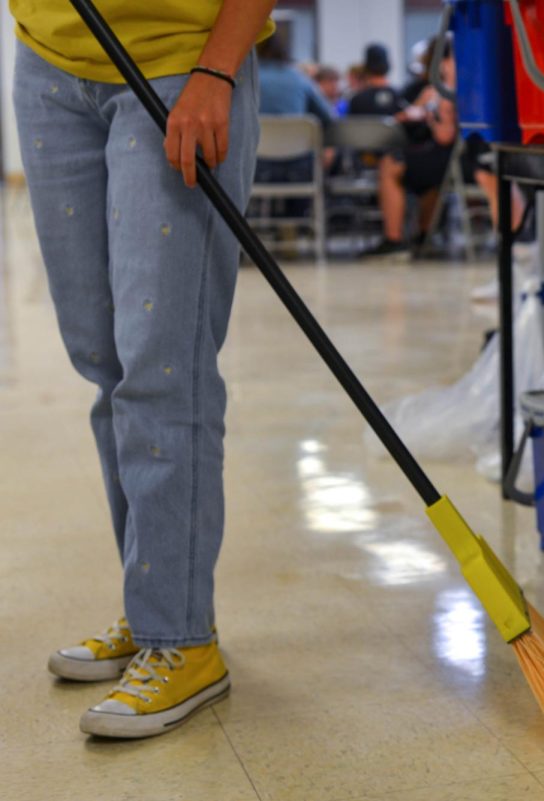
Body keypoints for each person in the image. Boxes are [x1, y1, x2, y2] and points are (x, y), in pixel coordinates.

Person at [10, 0, 274, 738]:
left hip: (180, 59)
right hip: (49, 59)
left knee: (164, 366)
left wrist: (218, 66)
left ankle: (181, 640)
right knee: (106, 361)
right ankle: (157, 597)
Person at [349, 41, 461, 257]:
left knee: (392, 163)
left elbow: (444, 136)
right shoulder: (431, 90)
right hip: (447, 157)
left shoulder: (446, 90)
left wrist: (430, 115)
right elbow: (410, 114)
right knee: (413, 167)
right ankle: (423, 234)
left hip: (452, 158)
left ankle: (395, 239)